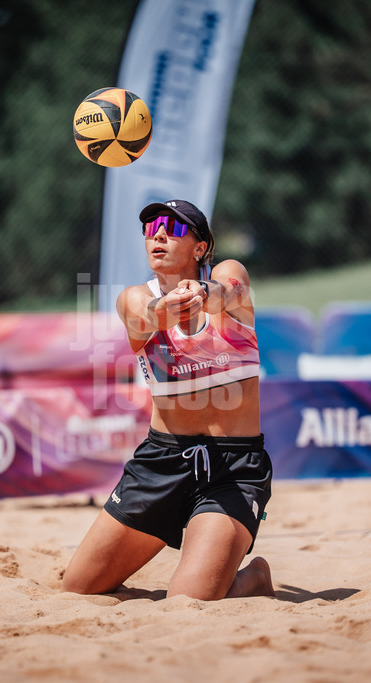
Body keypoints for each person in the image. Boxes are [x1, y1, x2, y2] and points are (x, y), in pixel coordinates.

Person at [61, 199, 274, 601]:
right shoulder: (133, 298)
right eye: (151, 227)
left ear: (199, 248)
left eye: (172, 227)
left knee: (188, 601)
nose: (157, 233)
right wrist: (168, 306)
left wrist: (202, 292)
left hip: (231, 467)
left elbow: (229, 292)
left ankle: (254, 578)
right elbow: (145, 316)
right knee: (80, 588)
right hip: (162, 460)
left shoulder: (227, 275)